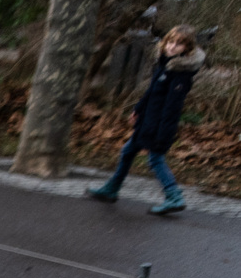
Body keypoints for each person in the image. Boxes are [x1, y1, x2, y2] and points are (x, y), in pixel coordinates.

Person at [87, 25, 206, 216]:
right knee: (127, 151)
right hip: (147, 120)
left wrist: (162, 134)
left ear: (188, 49)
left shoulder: (181, 74)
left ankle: (174, 197)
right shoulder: (165, 64)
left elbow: (172, 107)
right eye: (170, 42)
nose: (172, 47)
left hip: (158, 126)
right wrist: (138, 109)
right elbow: (152, 92)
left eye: (179, 45)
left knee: (155, 159)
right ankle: (112, 189)